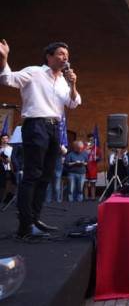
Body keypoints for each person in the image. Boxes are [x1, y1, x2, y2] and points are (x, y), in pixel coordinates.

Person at [0, 40, 81, 238]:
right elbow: (7, 79)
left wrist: (74, 84)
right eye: (61, 54)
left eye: (67, 55)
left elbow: (73, 103)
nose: (65, 58)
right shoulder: (35, 72)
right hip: (36, 125)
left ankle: (35, 218)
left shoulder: (63, 80)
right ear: (49, 56)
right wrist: (4, 58)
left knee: (46, 175)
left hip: (55, 128)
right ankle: (25, 225)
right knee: (32, 174)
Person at [84, 133, 101, 201]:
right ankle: (86, 197)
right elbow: (81, 154)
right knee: (85, 184)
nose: (91, 141)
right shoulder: (84, 147)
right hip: (85, 168)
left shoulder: (96, 148)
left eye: (92, 140)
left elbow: (99, 157)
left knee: (93, 184)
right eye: (89, 140)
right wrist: (87, 149)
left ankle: (93, 197)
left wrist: (97, 158)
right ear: (87, 139)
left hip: (93, 168)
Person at [0, 133, 12, 204]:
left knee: (6, 184)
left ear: (8, 139)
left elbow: (11, 159)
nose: (5, 140)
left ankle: (5, 198)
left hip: (8, 169)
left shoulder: (11, 148)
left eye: (6, 138)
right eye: (3, 139)